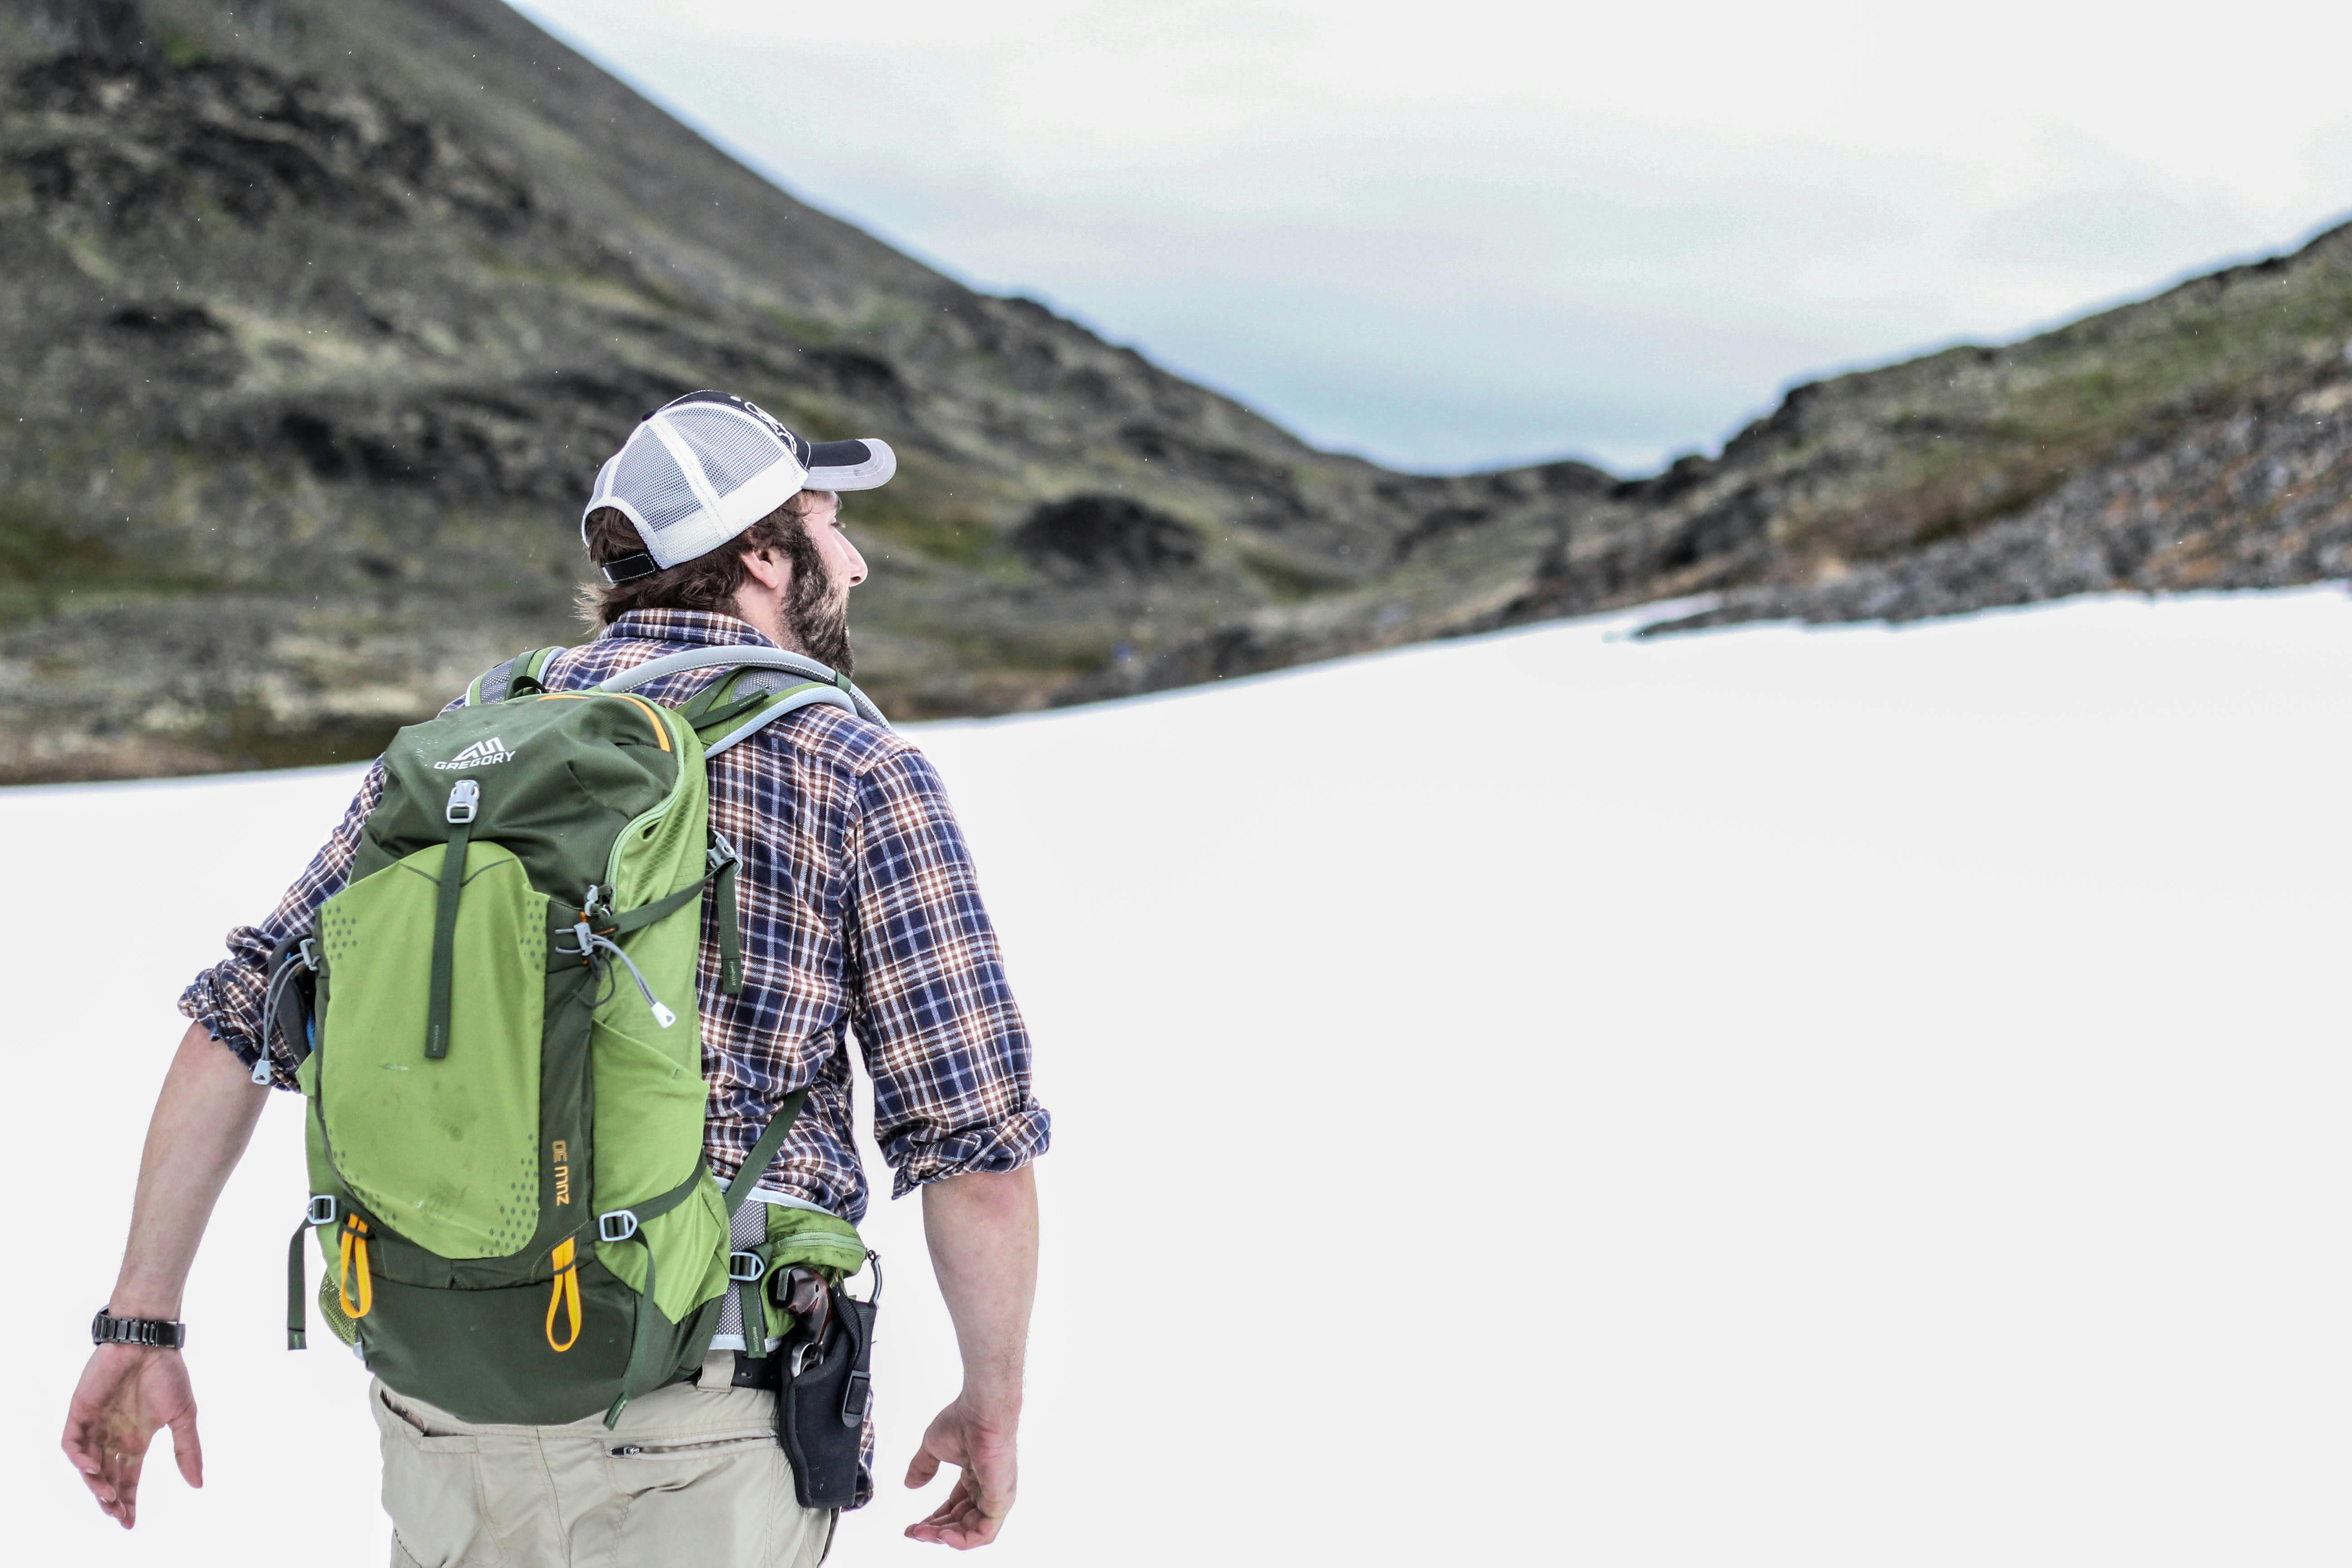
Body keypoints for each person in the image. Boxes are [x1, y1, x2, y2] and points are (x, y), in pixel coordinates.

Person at [61, 391, 1050, 1563]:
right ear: (766, 559)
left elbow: (239, 1020)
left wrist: (143, 1319)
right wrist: (994, 1409)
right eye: (832, 526)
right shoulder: (855, 769)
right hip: (705, 1421)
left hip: (447, 1415)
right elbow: (973, 1149)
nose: (859, 562)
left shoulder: (457, 757)